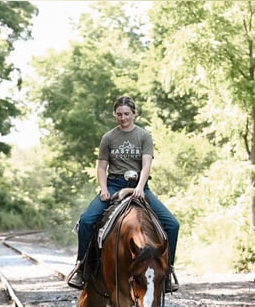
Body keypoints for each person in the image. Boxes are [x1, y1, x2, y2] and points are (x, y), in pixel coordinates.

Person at [67, 95, 179, 292]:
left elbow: (146, 165)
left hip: (139, 185)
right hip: (113, 184)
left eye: (126, 114)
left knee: (172, 224)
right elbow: (102, 167)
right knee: (86, 221)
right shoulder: (108, 138)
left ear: (134, 113)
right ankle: (81, 267)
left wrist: (140, 187)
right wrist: (103, 189)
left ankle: (167, 270)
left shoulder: (144, 136)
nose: (123, 118)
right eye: (119, 114)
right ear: (115, 115)